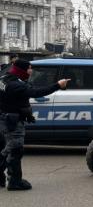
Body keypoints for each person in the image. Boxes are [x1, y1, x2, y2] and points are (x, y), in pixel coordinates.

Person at [0, 60, 70, 190]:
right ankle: (15, 181)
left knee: (5, 147)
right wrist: (58, 85)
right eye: (29, 69)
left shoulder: (4, 79)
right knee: (15, 149)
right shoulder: (16, 85)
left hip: (4, 118)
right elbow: (36, 92)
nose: (31, 71)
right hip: (13, 121)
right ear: (22, 70)